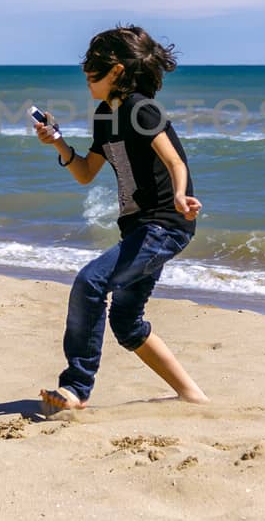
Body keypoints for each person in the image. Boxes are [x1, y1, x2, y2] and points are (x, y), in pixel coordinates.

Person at [32, 25, 208, 411]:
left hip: (164, 224)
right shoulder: (104, 115)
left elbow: (175, 160)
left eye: (92, 65)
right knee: (127, 323)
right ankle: (192, 396)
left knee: (90, 282)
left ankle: (76, 388)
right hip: (139, 230)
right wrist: (58, 141)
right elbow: (85, 173)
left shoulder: (140, 108)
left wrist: (181, 195)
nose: (85, 72)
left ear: (115, 70)